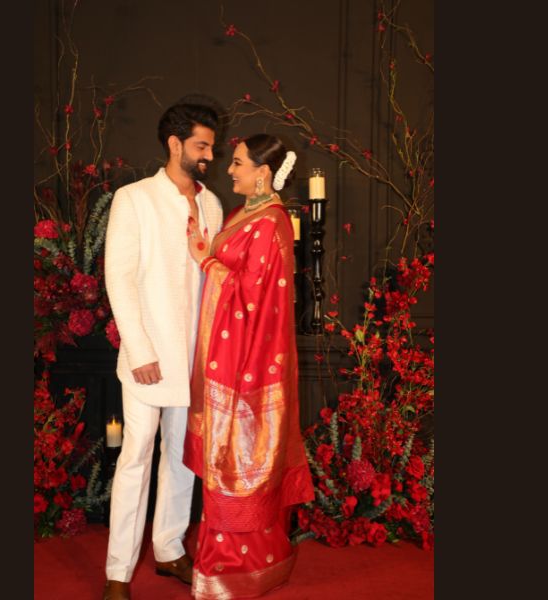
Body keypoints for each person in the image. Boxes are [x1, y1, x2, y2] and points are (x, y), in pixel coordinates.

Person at [103, 101, 224, 600]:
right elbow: (119, 277)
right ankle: (118, 572)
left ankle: (170, 549)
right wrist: (139, 349)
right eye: (201, 146)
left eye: (212, 147)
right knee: (135, 457)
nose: (209, 156)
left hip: (194, 359)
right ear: (175, 145)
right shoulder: (134, 199)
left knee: (180, 457)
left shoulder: (212, 204)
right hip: (148, 357)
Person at [184, 134, 315, 599]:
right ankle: (234, 563)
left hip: (248, 363)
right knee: (226, 458)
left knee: (238, 457)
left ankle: (238, 569)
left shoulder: (271, 221)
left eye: (238, 163)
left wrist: (205, 261)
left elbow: (251, 295)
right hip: (228, 356)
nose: (230, 169)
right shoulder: (245, 214)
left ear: (263, 172)